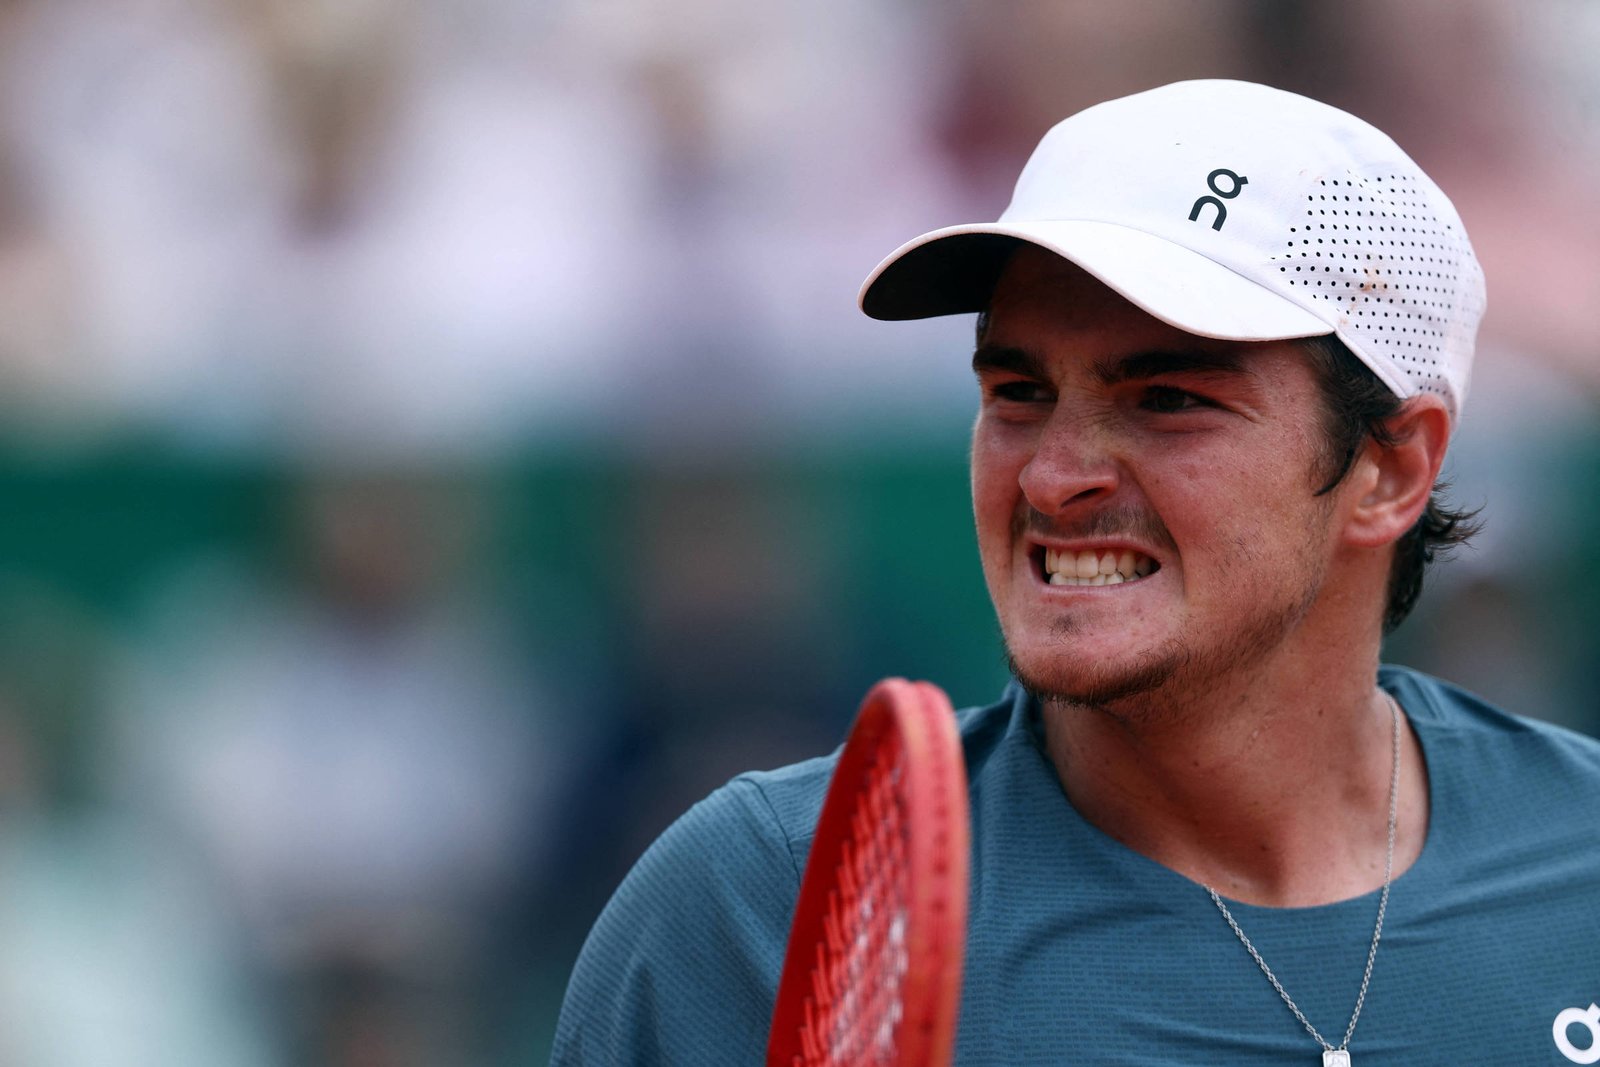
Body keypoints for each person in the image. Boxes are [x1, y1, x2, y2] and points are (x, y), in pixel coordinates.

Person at [551, 80, 1600, 1065]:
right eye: (1018, 391)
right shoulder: (768, 905)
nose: (1052, 477)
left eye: (1168, 400)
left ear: (1392, 468)